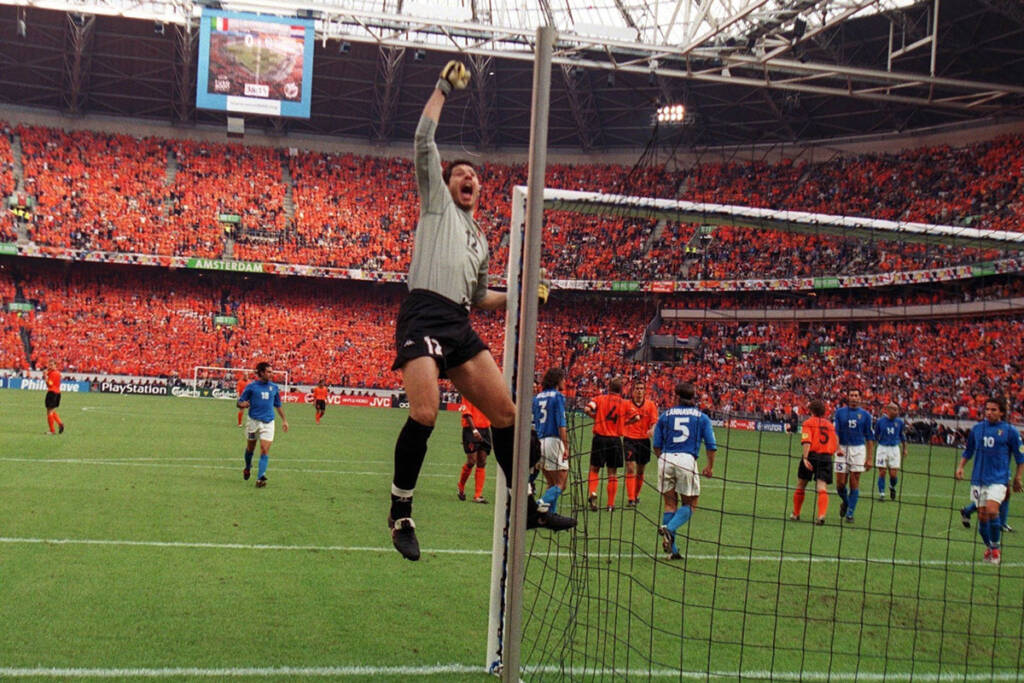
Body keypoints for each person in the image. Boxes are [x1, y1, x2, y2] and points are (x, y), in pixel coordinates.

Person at [386, 60, 575, 561]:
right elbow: (424, 139)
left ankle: (528, 504)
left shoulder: (481, 241)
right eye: (460, 173)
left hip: (458, 322)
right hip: (423, 314)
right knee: (425, 412)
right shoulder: (435, 205)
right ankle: (401, 511)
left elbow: (477, 299)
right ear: (446, 184)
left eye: (474, 175)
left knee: (508, 413)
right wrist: (444, 88)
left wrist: (519, 295)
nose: (468, 178)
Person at [954, 397, 1024, 565]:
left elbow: (1020, 457)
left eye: (994, 410)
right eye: (987, 409)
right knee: (982, 518)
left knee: (992, 510)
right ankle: (990, 547)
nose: (990, 413)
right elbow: (968, 451)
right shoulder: (978, 429)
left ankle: (995, 549)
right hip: (978, 479)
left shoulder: (1010, 431)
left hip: (998, 480)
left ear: (1001, 412)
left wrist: (1017, 478)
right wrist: (961, 467)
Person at [654, 382, 717, 560]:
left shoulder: (665, 416)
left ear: (676, 396)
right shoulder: (701, 417)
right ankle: (670, 528)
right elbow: (711, 446)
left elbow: (656, 445)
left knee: (669, 504)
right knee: (691, 503)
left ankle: (673, 551)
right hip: (686, 460)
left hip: (665, 458)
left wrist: (663, 460)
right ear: (693, 397)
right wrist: (709, 466)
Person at [236, 362, 289, 488]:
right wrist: (242, 405)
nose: (271, 374)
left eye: (272, 372)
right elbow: (239, 402)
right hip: (253, 422)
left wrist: (284, 420)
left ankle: (261, 477)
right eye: (269, 372)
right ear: (261, 373)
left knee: (264, 449)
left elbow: (278, 405)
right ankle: (248, 466)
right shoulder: (251, 387)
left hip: (268, 423)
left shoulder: (274, 388)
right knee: (250, 449)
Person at [584, 377, 631, 512]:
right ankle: (610, 505)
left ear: (609, 387)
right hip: (615, 440)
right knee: (613, 473)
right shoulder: (625, 403)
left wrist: (596, 418)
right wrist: (623, 424)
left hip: (600, 438)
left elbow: (587, 409)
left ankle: (593, 493)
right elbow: (636, 417)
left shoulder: (600, 399)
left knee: (594, 469)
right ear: (621, 390)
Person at [790, 398, 839, 525]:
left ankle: (796, 513)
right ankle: (821, 515)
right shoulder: (829, 425)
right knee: (822, 487)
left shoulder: (808, 423)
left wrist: (805, 458)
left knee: (801, 484)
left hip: (811, 456)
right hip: (826, 457)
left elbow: (807, 441)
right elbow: (835, 443)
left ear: (811, 410)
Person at [833, 388, 875, 523]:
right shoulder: (839, 412)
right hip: (842, 449)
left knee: (854, 481)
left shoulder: (866, 415)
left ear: (860, 398)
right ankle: (846, 502)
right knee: (840, 484)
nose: (854, 397)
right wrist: (837, 447)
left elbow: (869, 438)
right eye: (851, 394)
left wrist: (869, 458)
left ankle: (850, 513)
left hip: (858, 449)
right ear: (848, 396)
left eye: (856, 395)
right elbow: (835, 432)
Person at [532, 367, 569, 514]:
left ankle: (550, 515)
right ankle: (540, 504)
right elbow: (561, 424)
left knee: (551, 483)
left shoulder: (537, 398)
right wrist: (565, 446)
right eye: (563, 378)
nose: (565, 381)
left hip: (540, 442)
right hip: (554, 441)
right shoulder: (558, 397)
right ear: (558, 380)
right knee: (561, 483)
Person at [623, 379, 658, 508]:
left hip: (644, 440)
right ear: (633, 391)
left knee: (641, 470)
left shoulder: (650, 405)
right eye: (637, 388)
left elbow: (654, 421)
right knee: (630, 467)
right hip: (629, 439)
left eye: (641, 388)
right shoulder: (626, 404)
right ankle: (631, 498)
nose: (639, 391)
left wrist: (652, 430)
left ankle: (636, 495)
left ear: (645, 391)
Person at [457, 398, 492, 503]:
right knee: (472, 461)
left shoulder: (485, 394)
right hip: (471, 430)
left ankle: (477, 495)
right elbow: (467, 413)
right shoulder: (467, 394)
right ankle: (461, 485)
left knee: (482, 461)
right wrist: (474, 430)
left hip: (485, 429)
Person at [875, 402, 907, 501]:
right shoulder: (880, 422)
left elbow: (902, 435)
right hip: (882, 448)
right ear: (888, 410)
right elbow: (876, 434)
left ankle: (892, 487)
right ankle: (882, 494)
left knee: (893, 474)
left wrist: (905, 448)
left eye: (897, 410)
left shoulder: (900, 422)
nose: (897, 412)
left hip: (894, 449)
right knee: (882, 472)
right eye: (894, 409)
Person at [44, 361, 65, 435]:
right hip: (57, 392)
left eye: (52, 365)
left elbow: (50, 384)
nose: (50, 366)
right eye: (49, 364)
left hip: (52, 392)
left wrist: (45, 377)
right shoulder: (57, 373)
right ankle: (60, 423)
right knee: (51, 410)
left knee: (49, 411)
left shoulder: (53, 373)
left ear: (55, 366)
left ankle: (52, 430)